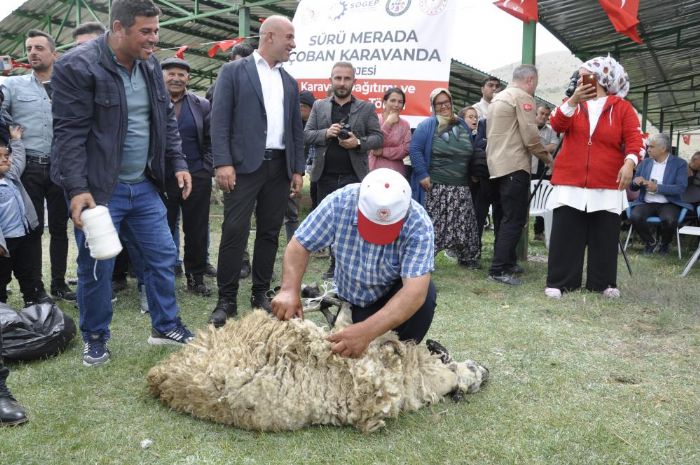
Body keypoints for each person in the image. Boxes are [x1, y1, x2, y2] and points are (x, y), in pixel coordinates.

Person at [50, 0, 196, 366]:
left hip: (144, 185)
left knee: (163, 257)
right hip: (100, 190)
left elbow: (164, 120)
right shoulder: (77, 66)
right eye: (145, 31)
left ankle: (165, 326)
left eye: (156, 30)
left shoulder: (148, 65)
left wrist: (176, 161)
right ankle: (95, 337)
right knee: (97, 264)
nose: (154, 39)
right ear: (118, 28)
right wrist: (78, 189)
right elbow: (69, 134)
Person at [271, 168, 436, 358]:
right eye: (372, 225)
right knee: (353, 349)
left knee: (426, 296)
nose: (376, 238)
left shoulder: (418, 223)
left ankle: (400, 354)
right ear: (360, 204)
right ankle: (358, 323)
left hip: (390, 296)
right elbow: (299, 244)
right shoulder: (341, 202)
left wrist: (366, 331)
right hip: (354, 298)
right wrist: (289, 290)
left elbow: (414, 293)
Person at [209, 15, 305, 327]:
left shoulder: (289, 82)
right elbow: (219, 120)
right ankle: (226, 298)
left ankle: (260, 293)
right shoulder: (234, 72)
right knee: (234, 231)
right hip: (243, 168)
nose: (293, 44)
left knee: (269, 232)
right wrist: (223, 162)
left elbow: (295, 130)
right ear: (270, 37)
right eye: (289, 37)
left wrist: (297, 169)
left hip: (279, 167)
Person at [545, 55, 643, 298]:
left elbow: (635, 140)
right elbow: (556, 125)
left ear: (600, 78)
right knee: (566, 233)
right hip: (571, 180)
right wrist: (573, 100)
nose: (579, 79)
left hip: (607, 181)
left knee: (605, 234)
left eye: (584, 74)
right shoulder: (572, 103)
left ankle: (603, 283)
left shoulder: (622, 108)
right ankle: (560, 282)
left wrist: (630, 163)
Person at [1, 30, 75, 303]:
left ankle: (58, 283)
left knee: (59, 227)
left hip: (61, 167)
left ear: (54, 54)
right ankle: (33, 288)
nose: (33, 52)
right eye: (29, 47)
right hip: (26, 168)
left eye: (39, 48)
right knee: (30, 229)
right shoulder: (13, 85)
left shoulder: (69, 87)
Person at [305, 61, 383, 279]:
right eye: (337, 78)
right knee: (331, 223)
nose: (342, 82)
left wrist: (358, 143)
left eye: (346, 78)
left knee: (354, 222)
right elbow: (306, 134)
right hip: (325, 175)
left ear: (354, 82)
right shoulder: (319, 106)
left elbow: (378, 138)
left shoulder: (366, 108)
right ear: (330, 80)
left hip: (354, 176)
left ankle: (351, 265)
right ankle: (333, 265)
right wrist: (326, 133)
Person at [486, 65, 552, 285]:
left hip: (495, 165)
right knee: (514, 219)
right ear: (530, 79)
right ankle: (498, 269)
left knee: (502, 217)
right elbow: (531, 137)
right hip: (514, 165)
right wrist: (549, 160)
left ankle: (507, 261)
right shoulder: (522, 97)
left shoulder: (498, 98)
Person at [409, 88, 480, 268]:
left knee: (463, 223)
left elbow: (470, 148)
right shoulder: (427, 125)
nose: (444, 106)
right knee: (434, 224)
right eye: (439, 103)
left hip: (461, 184)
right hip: (437, 185)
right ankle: (425, 259)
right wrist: (422, 174)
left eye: (446, 102)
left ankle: (467, 257)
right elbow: (415, 150)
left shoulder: (462, 124)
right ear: (433, 106)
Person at [161, 57, 213, 295]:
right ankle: (161, 276)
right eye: (171, 73)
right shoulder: (153, 102)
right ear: (161, 76)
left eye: (181, 75)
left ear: (188, 79)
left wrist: (205, 167)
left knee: (197, 228)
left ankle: (196, 278)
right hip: (163, 177)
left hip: (197, 176)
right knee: (161, 227)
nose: (176, 78)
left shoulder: (201, 104)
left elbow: (211, 139)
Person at [206, 41, 255, 280]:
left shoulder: (261, 83)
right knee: (235, 217)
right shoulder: (219, 87)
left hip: (256, 161)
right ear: (230, 62)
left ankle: (246, 261)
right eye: (239, 64)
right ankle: (239, 261)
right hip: (231, 162)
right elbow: (216, 125)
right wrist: (220, 162)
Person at [0, 116, 40, 306]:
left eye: (5, 156)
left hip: (21, 237)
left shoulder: (12, 176)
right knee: (1, 277)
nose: (5, 159)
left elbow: (18, 160)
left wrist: (15, 140)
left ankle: (31, 301)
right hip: (3, 244)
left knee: (26, 272)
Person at [629, 133, 691, 255]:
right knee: (635, 216)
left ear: (663, 149)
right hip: (647, 202)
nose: (648, 149)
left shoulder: (680, 164)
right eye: (648, 146)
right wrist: (636, 182)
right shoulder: (645, 163)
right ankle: (650, 242)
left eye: (651, 147)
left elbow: (680, 188)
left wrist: (658, 188)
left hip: (669, 203)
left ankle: (664, 245)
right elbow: (633, 187)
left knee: (669, 219)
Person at [531, 105, 560, 241]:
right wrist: (543, 148)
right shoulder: (528, 127)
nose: (544, 116)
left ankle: (539, 231)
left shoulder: (551, 130)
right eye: (541, 113)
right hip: (529, 168)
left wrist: (534, 148)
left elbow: (554, 146)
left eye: (547, 114)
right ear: (536, 113)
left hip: (545, 169)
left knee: (544, 199)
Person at [369, 87, 411, 177]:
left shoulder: (405, 125)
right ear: (384, 102)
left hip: (396, 172)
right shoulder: (374, 119)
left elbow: (405, 150)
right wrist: (388, 123)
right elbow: (373, 144)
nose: (396, 105)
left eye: (400, 102)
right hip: (374, 170)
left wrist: (382, 152)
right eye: (393, 100)